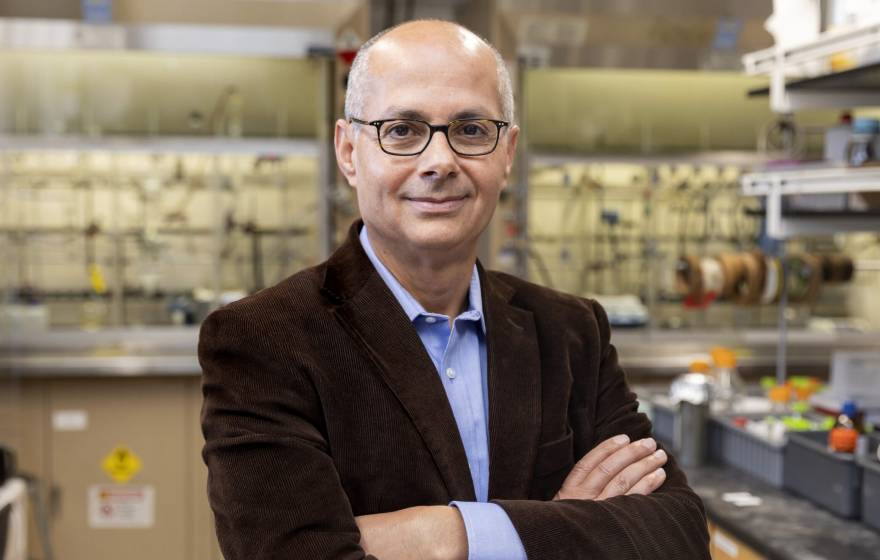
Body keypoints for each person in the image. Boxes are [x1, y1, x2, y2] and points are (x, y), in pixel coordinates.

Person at [199, 19, 710, 560]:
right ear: (348, 151)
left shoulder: (571, 332)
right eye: (401, 130)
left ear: (507, 153)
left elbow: (676, 534)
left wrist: (443, 535)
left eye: (470, 130)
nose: (440, 162)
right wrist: (563, 521)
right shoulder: (262, 341)